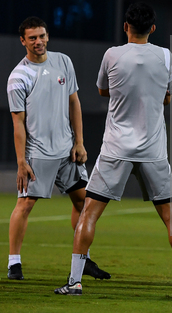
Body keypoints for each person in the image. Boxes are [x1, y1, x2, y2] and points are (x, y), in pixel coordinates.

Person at [54, 2, 172, 299]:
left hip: (116, 147)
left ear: (125, 27)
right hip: (154, 149)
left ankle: (75, 282)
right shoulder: (166, 56)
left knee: (89, 214)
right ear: (153, 28)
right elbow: (168, 96)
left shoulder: (112, 54)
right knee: (171, 215)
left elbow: (103, 90)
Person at [7, 16, 109, 280]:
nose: (38, 41)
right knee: (25, 204)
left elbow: (74, 102)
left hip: (67, 152)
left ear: (47, 36)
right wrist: (21, 161)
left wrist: (79, 142)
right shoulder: (19, 75)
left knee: (84, 202)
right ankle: (14, 263)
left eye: (42, 36)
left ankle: (83, 259)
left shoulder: (63, 61)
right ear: (23, 41)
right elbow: (17, 122)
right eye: (32, 38)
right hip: (38, 154)